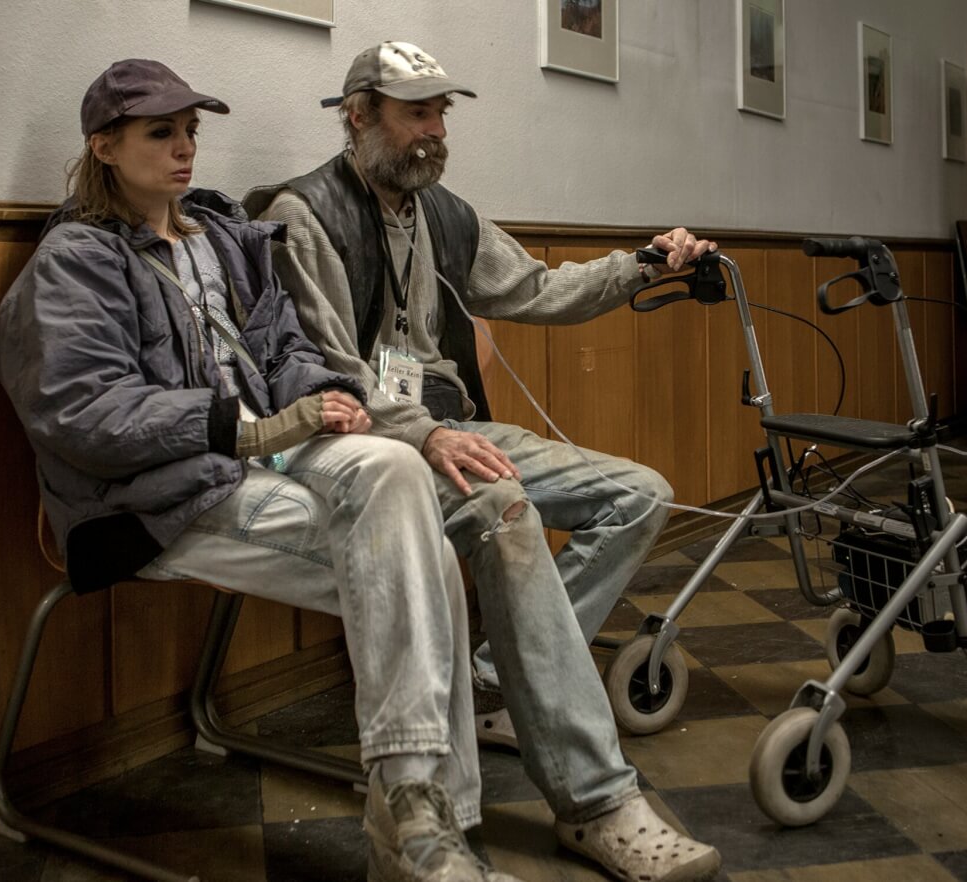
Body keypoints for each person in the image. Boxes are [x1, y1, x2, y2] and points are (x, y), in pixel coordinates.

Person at [0, 59, 521, 882]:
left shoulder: (223, 236)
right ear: (102, 146)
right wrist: (244, 428)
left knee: (394, 471)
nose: (185, 149)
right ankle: (421, 823)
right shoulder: (76, 260)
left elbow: (284, 350)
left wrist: (325, 396)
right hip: (162, 496)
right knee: (423, 557)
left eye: (192, 131)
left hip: (273, 452)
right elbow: (81, 412)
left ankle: (418, 823)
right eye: (161, 132)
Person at [245, 42, 721, 882]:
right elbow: (321, 364)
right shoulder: (303, 214)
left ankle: (504, 681)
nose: (434, 133)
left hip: (456, 429)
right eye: (414, 113)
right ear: (358, 114)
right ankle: (596, 798)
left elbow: (538, 289)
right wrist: (421, 432)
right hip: (371, 442)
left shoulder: (448, 216)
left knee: (640, 494)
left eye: (441, 114)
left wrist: (644, 263)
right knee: (507, 514)